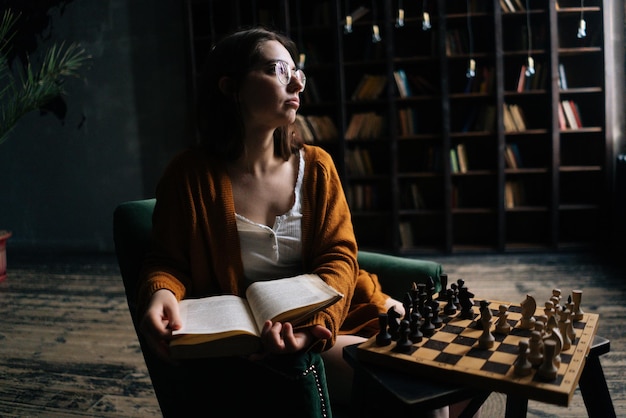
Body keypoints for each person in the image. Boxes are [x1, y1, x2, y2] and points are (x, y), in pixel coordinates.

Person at [137, 27, 470, 418]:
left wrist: (313, 325)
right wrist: (161, 293)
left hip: (337, 314)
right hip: (268, 339)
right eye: (278, 69)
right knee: (425, 396)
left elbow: (341, 258)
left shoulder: (316, 167)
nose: (296, 81)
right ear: (231, 87)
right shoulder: (188, 176)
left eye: (297, 71)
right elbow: (168, 261)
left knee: (463, 376)